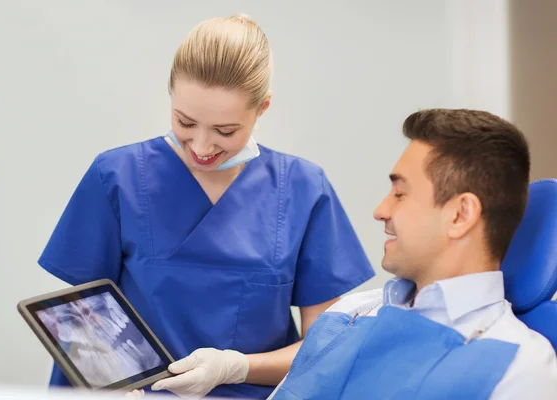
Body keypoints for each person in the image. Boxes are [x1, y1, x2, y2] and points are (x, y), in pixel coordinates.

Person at [38, 13, 374, 399]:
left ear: (262, 108)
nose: (200, 147)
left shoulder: (303, 189)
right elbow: (85, 321)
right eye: (185, 122)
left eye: (225, 131)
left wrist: (237, 367)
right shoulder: (117, 175)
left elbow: (324, 350)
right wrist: (103, 385)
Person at [269, 109, 557, 399]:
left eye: (399, 194)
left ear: (459, 215)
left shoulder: (519, 368)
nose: (380, 211)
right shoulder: (350, 313)